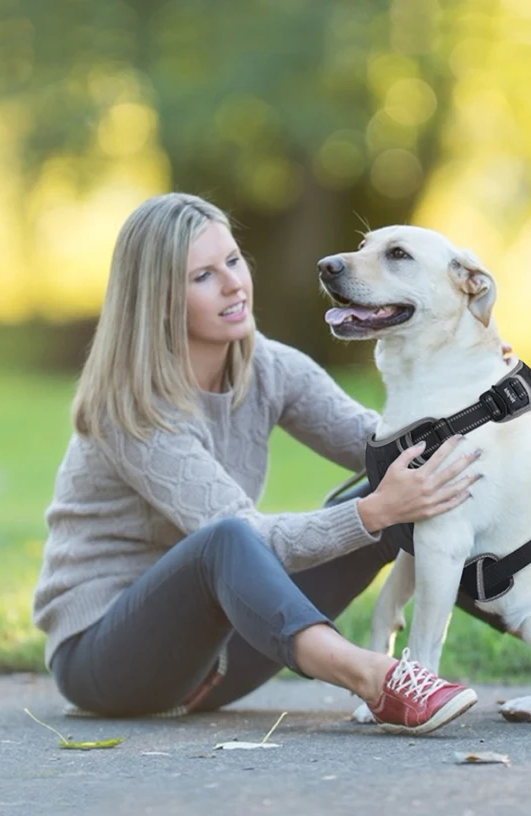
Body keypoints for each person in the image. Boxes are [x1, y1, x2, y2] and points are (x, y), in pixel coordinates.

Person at [32, 192, 494, 735]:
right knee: (229, 539)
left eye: (232, 261)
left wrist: (505, 416)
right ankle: (381, 680)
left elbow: (391, 445)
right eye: (202, 276)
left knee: (430, 476)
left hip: (228, 654)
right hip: (110, 662)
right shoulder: (132, 411)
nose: (233, 283)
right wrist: (373, 513)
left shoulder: (270, 366)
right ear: (158, 300)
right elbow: (247, 539)